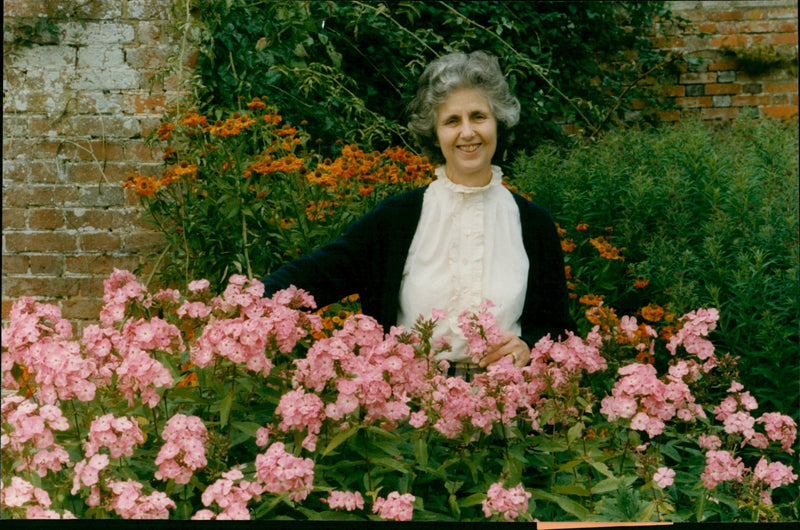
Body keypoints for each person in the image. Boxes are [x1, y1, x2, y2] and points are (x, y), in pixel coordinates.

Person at [262, 51, 575, 372]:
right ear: (435, 134)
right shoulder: (396, 219)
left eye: (479, 116)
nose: (468, 132)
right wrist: (246, 301)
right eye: (452, 121)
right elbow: (315, 275)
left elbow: (559, 328)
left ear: (498, 123)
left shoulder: (534, 224)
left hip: (504, 396)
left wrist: (528, 346)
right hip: (410, 398)